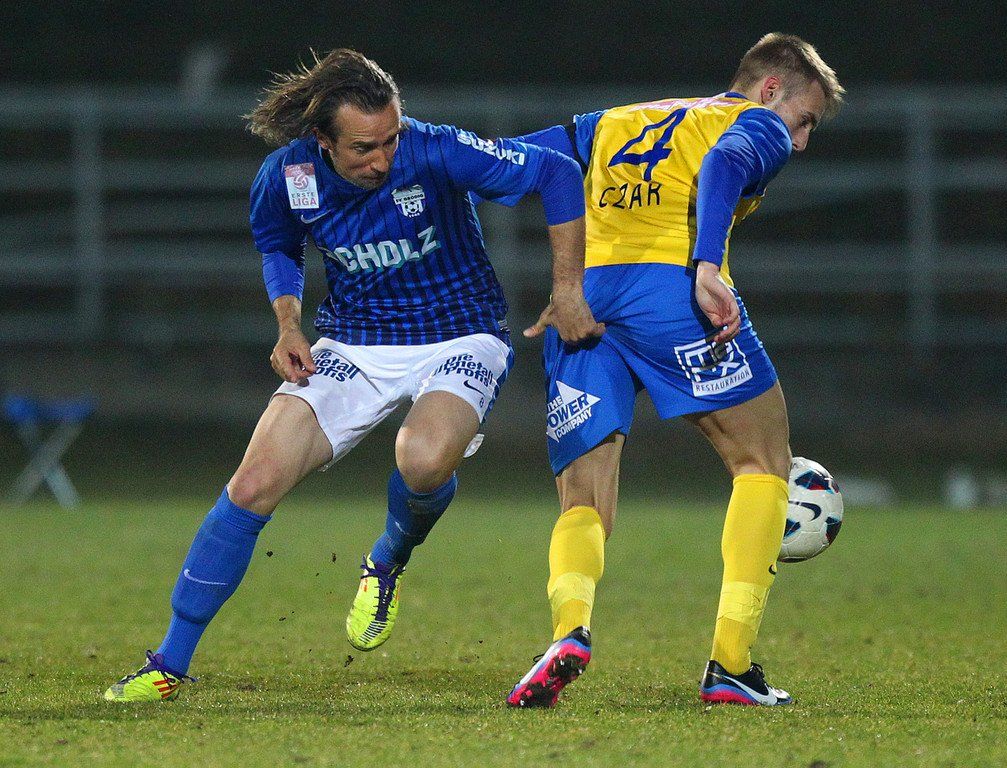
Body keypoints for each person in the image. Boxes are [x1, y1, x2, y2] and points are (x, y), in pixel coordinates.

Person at [104, 48, 601, 702]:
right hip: (353, 342)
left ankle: (387, 558)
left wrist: (568, 290)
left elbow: (557, 171)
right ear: (323, 140)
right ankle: (168, 664)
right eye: (364, 148)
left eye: (391, 139)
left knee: (422, 461)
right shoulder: (288, 175)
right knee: (252, 483)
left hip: (461, 334)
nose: (383, 159)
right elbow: (279, 243)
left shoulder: (435, 149)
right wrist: (288, 324)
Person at [496, 33, 844, 707]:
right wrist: (707, 265)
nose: (799, 141)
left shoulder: (617, 120)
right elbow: (726, 162)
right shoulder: (754, 122)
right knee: (763, 460)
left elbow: (518, 161)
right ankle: (730, 666)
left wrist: (427, 169)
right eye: (804, 120)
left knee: (583, 499)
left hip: (583, 299)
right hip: (671, 293)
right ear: (772, 89)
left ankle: (569, 633)